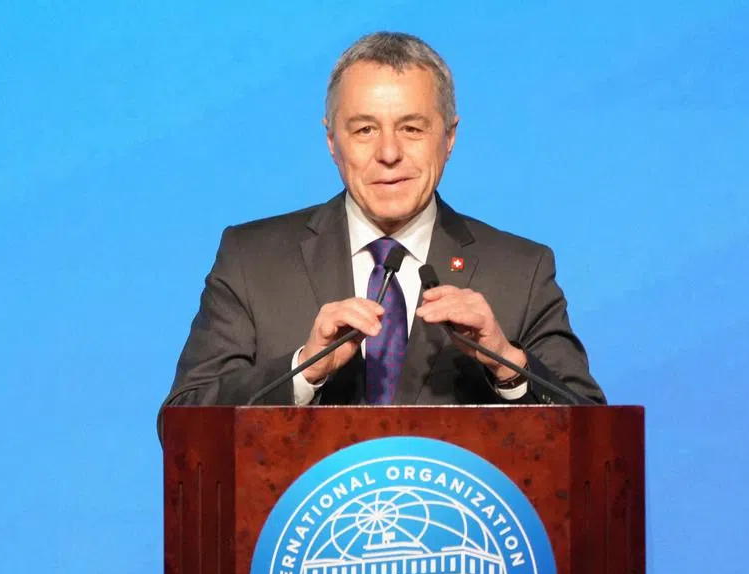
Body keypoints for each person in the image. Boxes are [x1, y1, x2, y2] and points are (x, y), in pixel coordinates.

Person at [162, 31, 605, 413]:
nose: (389, 154)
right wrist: (303, 371)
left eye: (412, 128)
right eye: (364, 130)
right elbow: (183, 423)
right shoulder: (252, 260)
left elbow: (594, 437)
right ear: (332, 141)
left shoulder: (519, 271)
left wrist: (507, 364)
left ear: (449, 138)